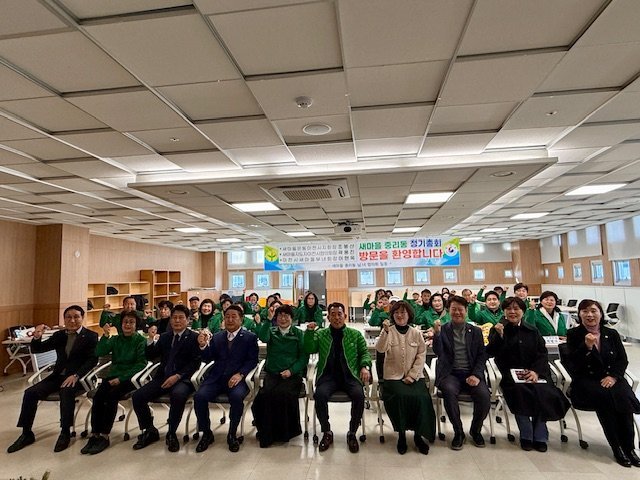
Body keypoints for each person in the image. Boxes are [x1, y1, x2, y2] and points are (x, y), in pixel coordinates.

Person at [8, 305, 98, 453]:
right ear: (64, 319)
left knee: (66, 391)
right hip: (58, 376)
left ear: (82, 318)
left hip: (79, 378)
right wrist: (37, 337)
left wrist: (76, 375)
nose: (72, 320)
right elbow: (38, 349)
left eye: (76, 317)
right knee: (30, 393)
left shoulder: (91, 336)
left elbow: (92, 360)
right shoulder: (59, 335)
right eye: (68, 317)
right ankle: (26, 433)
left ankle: (65, 432)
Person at [486, 297, 570, 452]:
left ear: (523, 312)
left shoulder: (532, 330)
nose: (512, 312)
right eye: (509, 309)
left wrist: (536, 371)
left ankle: (540, 435)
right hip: (510, 375)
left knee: (543, 392)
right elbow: (491, 352)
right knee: (521, 393)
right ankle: (526, 433)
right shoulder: (497, 329)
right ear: (504, 312)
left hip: (535, 372)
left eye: (516, 309)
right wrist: (499, 336)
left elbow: (542, 354)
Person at [564, 299, 640, 467]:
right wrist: (586, 347)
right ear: (579, 315)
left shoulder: (611, 334)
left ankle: (629, 448)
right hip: (587, 380)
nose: (589, 315)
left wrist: (613, 377)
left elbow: (622, 360)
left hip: (612, 378)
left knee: (625, 401)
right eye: (585, 311)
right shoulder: (574, 334)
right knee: (605, 401)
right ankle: (616, 448)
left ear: (600, 313)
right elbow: (573, 364)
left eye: (593, 311)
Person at [131, 304, 201, 453]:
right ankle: (149, 430)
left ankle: (172, 433)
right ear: (170, 320)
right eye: (174, 317)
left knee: (177, 395)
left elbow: (195, 363)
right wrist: (150, 340)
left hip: (183, 378)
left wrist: (178, 376)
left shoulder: (194, 337)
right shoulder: (165, 337)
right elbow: (151, 356)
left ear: (187, 320)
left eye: (181, 317)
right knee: (138, 396)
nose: (177, 320)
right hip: (163, 377)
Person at [304, 302, 371, 453]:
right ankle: (327, 431)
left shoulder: (355, 334)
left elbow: (364, 353)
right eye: (333, 315)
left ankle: (352, 432)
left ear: (345, 316)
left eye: (339, 314)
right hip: (328, 377)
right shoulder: (321, 334)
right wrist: (309, 333)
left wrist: (364, 366)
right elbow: (309, 348)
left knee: (359, 395)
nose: (336, 318)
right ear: (328, 318)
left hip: (350, 376)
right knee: (320, 395)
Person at [194, 304, 259, 453]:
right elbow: (208, 357)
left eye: (234, 317)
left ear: (241, 319)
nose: (230, 320)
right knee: (199, 397)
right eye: (227, 317)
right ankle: (206, 433)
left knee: (236, 397)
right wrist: (203, 346)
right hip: (216, 378)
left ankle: (232, 434)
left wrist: (240, 374)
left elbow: (252, 360)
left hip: (237, 379)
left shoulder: (249, 337)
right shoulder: (217, 337)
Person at [81, 311, 147, 454]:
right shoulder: (116, 339)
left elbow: (141, 364)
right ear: (121, 324)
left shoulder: (140, 340)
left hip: (129, 378)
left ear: (136, 325)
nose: (128, 325)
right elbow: (99, 352)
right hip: (112, 376)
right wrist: (105, 336)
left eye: (131, 322)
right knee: (98, 397)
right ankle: (95, 434)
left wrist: (121, 378)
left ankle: (105, 435)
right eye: (125, 322)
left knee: (111, 397)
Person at [376, 301, 435, 455]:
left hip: (414, 376)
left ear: (409, 315)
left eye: (403, 312)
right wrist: (385, 332)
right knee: (400, 396)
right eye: (396, 313)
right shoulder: (388, 331)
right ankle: (401, 435)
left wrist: (412, 375)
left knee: (422, 398)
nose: (400, 315)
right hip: (393, 377)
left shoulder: (416, 333)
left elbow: (421, 355)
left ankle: (418, 435)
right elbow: (380, 348)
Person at [432, 296, 490, 450]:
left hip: (471, 373)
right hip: (451, 373)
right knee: (448, 392)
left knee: (484, 396)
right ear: (448, 311)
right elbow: (438, 352)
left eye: (460, 309)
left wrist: (476, 375)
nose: (457, 312)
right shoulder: (443, 329)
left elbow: (481, 356)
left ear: (466, 311)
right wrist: (436, 335)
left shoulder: (476, 331)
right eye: (453, 309)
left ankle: (475, 430)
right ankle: (458, 432)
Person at [252, 304, 309, 447]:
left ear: (292, 318)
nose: (283, 319)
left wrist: (291, 370)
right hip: (273, 374)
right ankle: (266, 431)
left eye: (286, 316)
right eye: (280, 316)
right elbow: (263, 337)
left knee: (282, 394)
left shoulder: (298, 334)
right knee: (262, 397)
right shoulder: (271, 331)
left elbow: (304, 357)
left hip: (292, 375)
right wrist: (267, 320)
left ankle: (283, 433)